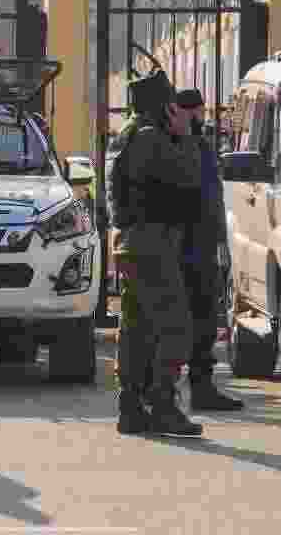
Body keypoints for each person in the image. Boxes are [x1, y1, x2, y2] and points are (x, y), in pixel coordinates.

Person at [108, 70, 204, 438]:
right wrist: (187, 137)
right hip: (152, 244)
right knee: (176, 326)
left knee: (137, 328)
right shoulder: (150, 139)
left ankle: (130, 407)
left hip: (133, 242)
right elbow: (188, 177)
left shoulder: (130, 135)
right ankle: (163, 405)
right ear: (161, 107)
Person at [173, 89, 244, 411]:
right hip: (183, 244)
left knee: (203, 319)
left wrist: (218, 241)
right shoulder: (176, 145)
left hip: (200, 243)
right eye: (196, 112)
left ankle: (201, 387)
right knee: (186, 317)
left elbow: (212, 197)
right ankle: (172, 391)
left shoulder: (198, 144)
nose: (201, 118)